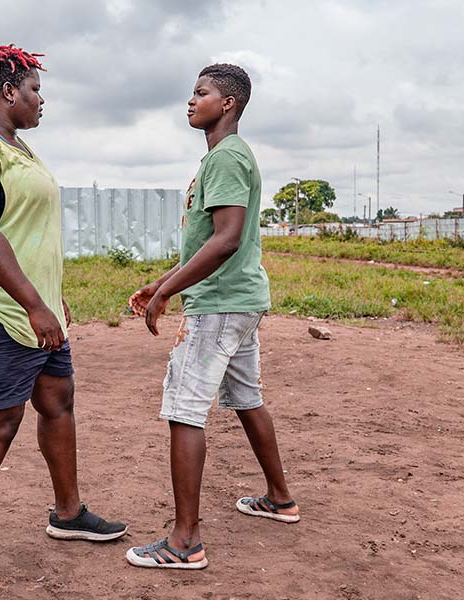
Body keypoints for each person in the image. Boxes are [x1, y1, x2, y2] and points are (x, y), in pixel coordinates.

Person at [0, 44, 127, 584]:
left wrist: (51, 296)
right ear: (8, 90)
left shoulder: (21, 150)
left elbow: (29, 235)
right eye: (35, 89)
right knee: (0, 423)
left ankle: (68, 515)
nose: (42, 99)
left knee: (57, 401)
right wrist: (34, 304)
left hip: (32, 310)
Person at [125, 64, 299, 570]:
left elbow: (225, 240)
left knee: (184, 410)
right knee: (246, 398)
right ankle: (280, 499)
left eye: (200, 93)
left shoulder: (225, 157)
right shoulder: (228, 156)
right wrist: (160, 283)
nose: (190, 100)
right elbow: (212, 241)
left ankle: (184, 542)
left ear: (228, 104)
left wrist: (168, 298)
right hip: (240, 300)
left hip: (220, 305)